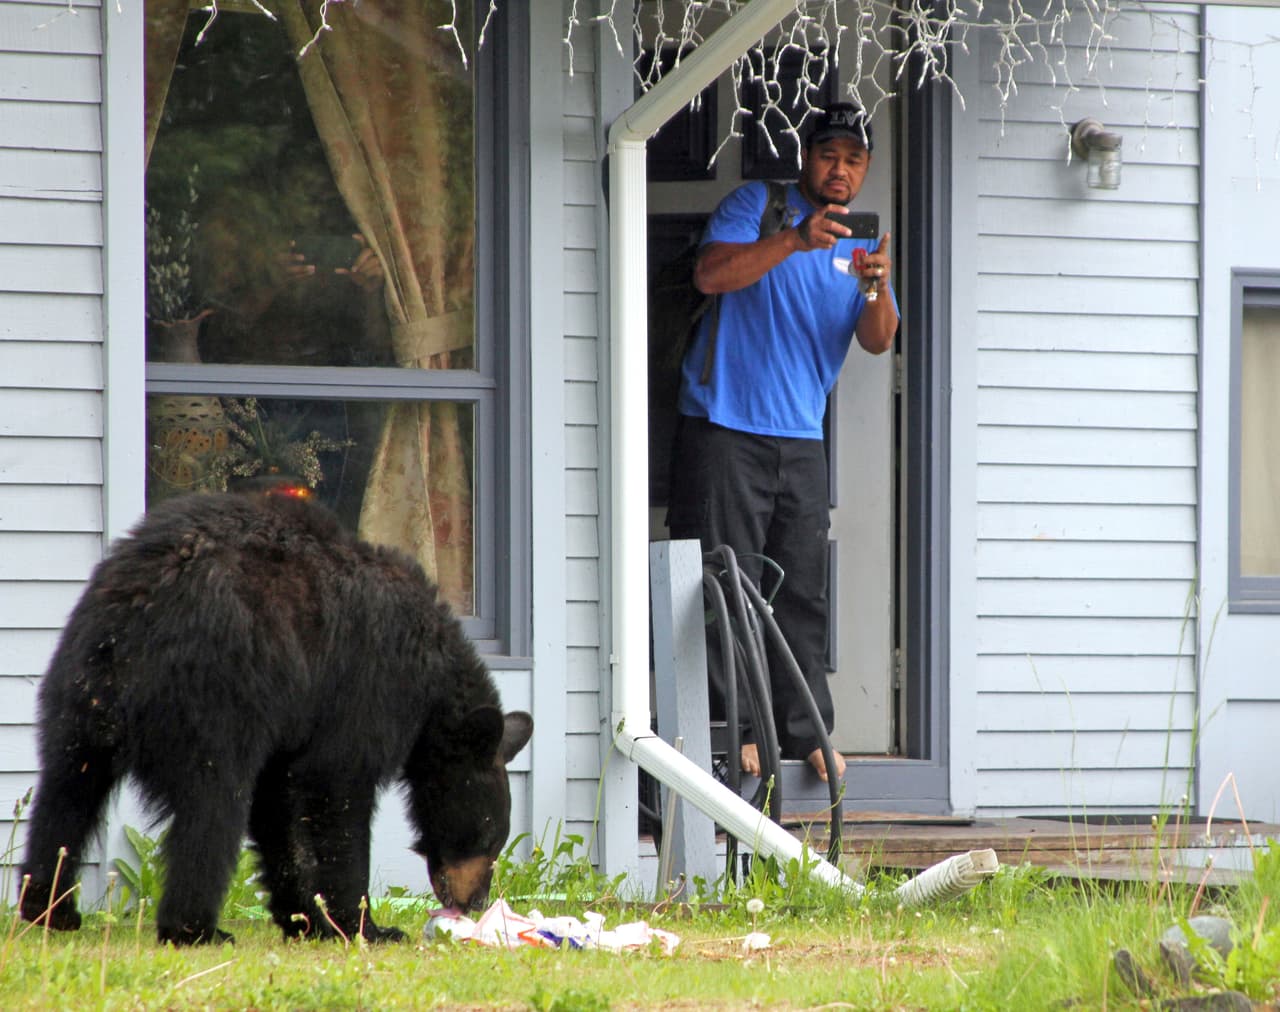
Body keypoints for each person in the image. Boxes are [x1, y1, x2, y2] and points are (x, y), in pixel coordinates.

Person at [665, 103, 899, 784]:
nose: (840, 169)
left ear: (865, 170)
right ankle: (737, 728)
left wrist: (878, 288)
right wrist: (795, 241)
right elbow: (712, 275)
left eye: (854, 160)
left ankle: (806, 732)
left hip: (800, 439)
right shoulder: (758, 206)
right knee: (724, 583)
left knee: (801, 592)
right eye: (830, 154)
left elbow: (879, 339)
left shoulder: (862, 245)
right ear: (807, 157)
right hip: (724, 426)